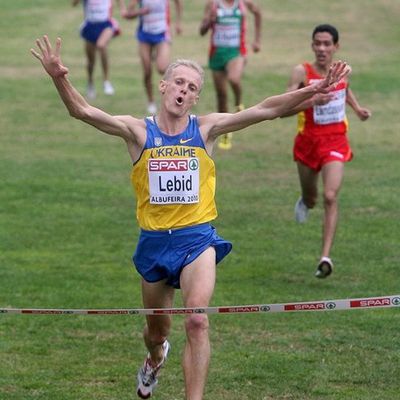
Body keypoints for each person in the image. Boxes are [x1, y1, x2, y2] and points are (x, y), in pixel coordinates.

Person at [31, 34, 350, 399]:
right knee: (157, 333)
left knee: (197, 320)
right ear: (163, 85)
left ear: (196, 97)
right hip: (153, 242)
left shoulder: (206, 129)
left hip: (197, 239)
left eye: (192, 86)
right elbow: (83, 112)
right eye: (179, 82)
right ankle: (154, 359)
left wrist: (314, 89)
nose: (184, 90)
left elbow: (268, 108)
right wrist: (59, 77)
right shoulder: (138, 132)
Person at [283, 24, 371, 279]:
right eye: (317, 43)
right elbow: (282, 109)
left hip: (335, 141)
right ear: (312, 45)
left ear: (336, 46)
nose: (322, 48)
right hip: (308, 143)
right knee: (312, 198)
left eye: (327, 44)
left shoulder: (342, 70)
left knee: (330, 196)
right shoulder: (303, 72)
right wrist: (312, 100)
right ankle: (305, 200)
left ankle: (325, 256)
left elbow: (345, 88)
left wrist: (357, 108)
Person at [199, 0, 262, 150]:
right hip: (216, 55)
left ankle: (239, 103)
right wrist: (210, 20)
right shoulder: (212, 4)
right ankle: (226, 132)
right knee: (221, 95)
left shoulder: (243, 3)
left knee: (234, 79)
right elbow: (201, 31)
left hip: (236, 52)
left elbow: (258, 13)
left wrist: (257, 40)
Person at [119, 0, 182, 115]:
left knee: (162, 68)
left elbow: (178, 3)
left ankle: (171, 96)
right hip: (144, 36)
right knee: (147, 70)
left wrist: (178, 22)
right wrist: (140, 12)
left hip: (162, 34)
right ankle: (151, 101)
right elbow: (128, 14)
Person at [72, 0, 121, 99]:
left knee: (101, 45)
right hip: (90, 26)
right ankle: (90, 83)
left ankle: (106, 81)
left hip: (106, 24)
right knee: (91, 61)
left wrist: (123, 8)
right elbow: (74, 4)